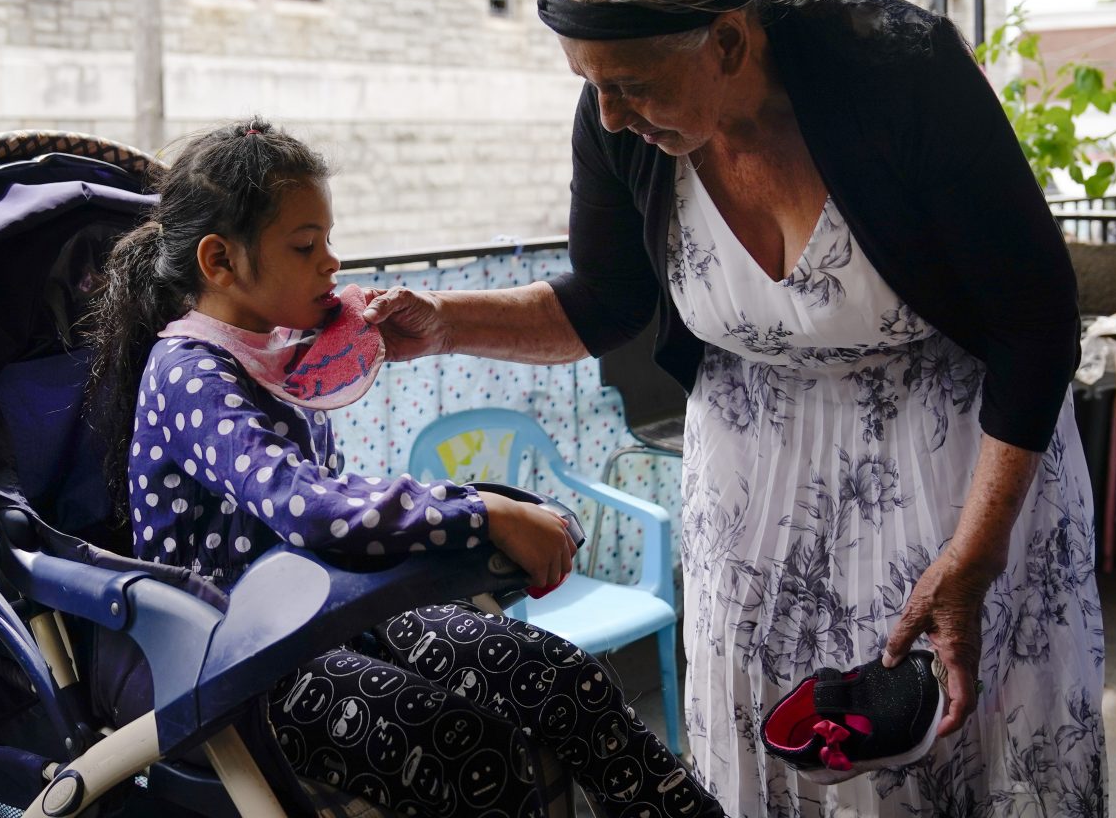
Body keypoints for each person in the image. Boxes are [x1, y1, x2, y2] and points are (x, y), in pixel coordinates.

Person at [362, 0, 1107, 817]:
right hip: (756, 501)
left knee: (951, 750)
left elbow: (1035, 322)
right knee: (777, 755)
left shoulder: (899, 74)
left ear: (726, 38)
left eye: (631, 84)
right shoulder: (622, 122)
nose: (609, 115)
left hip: (953, 477)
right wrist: (444, 321)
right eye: (589, 83)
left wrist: (977, 553)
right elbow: (602, 304)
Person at [85, 119, 720, 818]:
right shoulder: (189, 375)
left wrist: (471, 507)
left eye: (327, 240)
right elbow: (311, 507)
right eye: (305, 246)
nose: (332, 263)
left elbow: (331, 493)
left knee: (564, 680)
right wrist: (480, 512)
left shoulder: (278, 355)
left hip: (335, 610)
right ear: (219, 262)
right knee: (470, 748)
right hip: (246, 655)